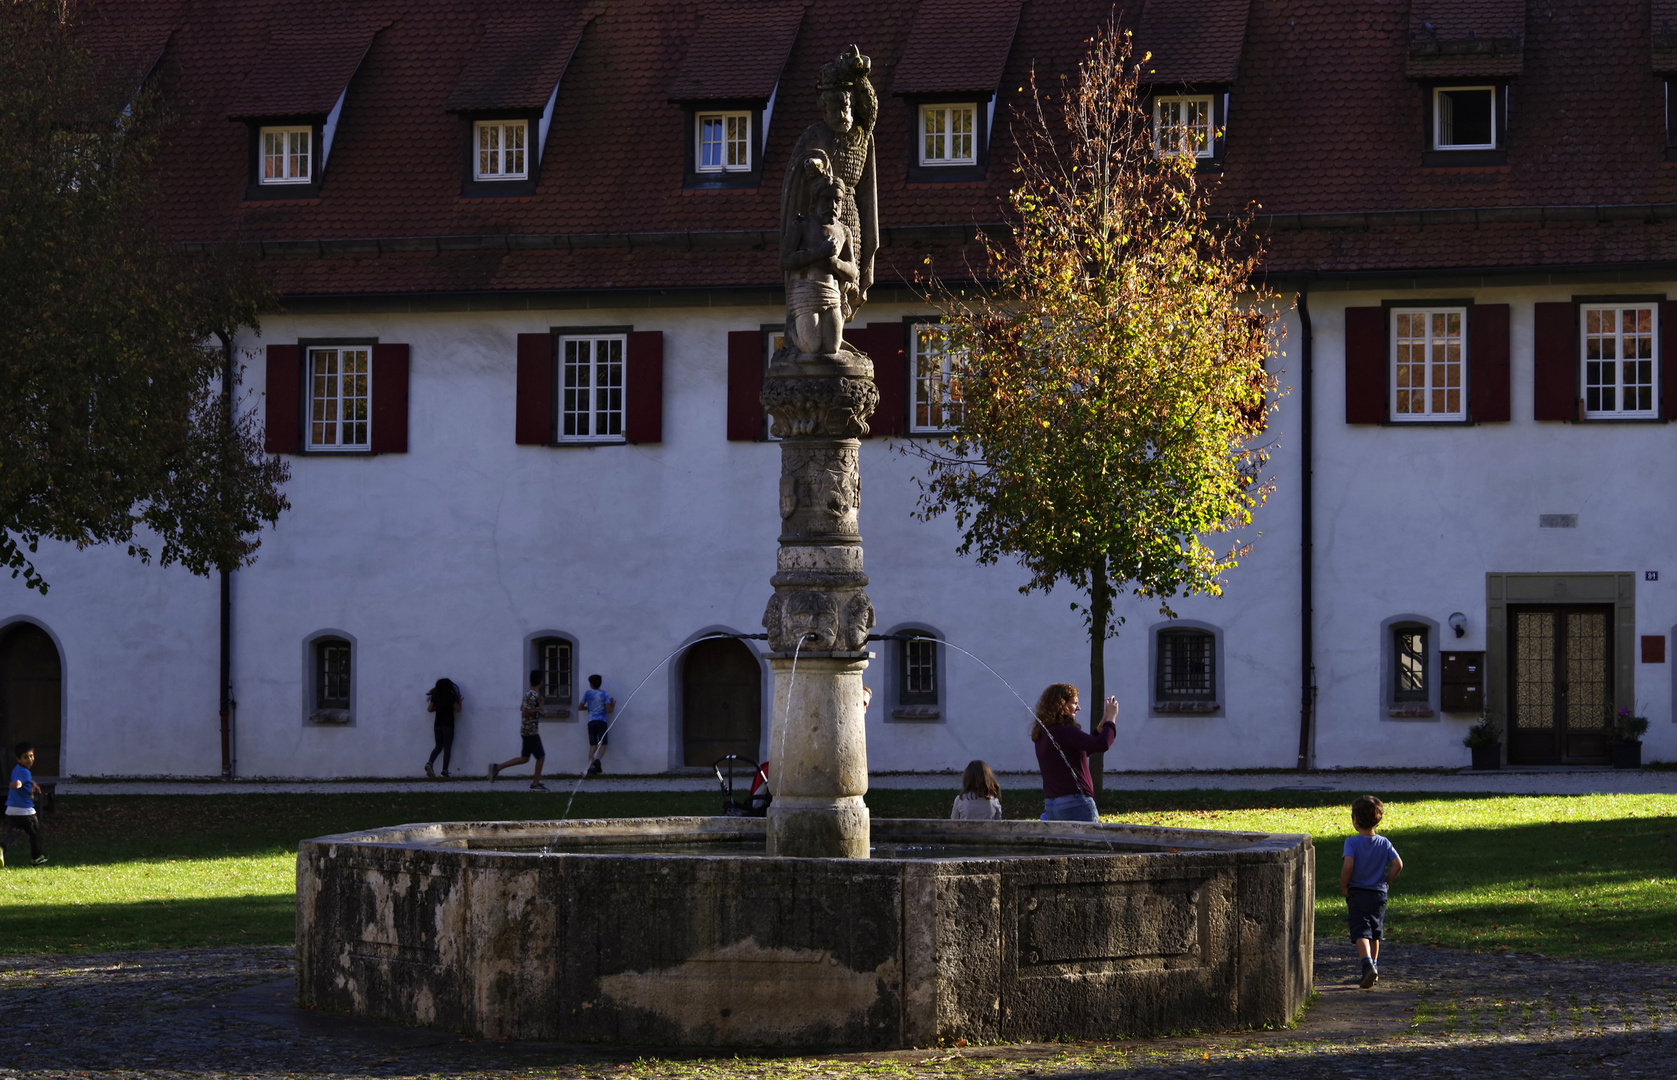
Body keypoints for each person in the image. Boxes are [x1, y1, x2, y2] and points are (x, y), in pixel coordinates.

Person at [1341, 794, 1403, 989]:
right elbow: (1398, 864)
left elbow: (1349, 864)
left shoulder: (1352, 843)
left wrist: (1344, 885)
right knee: (1376, 932)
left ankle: (1366, 964)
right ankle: (1374, 968)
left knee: (1361, 931)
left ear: (1355, 820)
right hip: (1378, 894)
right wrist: (1386, 881)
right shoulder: (1384, 843)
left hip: (1358, 892)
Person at [1031, 683, 1117, 822]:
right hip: (1075, 803)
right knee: (1088, 843)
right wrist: (1111, 719)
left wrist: (1103, 723)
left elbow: (1086, 748)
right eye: (1075, 703)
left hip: (1053, 804)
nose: (1078, 708)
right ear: (1062, 704)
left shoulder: (1045, 732)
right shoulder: (1065, 730)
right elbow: (1102, 744)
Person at [490, 670, 548, 790]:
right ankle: (535, 784)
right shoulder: (531, 695)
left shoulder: (531, 695)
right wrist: (540, 708)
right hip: (530, 731)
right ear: (541, 682)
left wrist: (540, 712)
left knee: (525, 758)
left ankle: (497, 767)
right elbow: (526, 712)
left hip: (527, 730)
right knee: (541, 757)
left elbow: (523, 708)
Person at [2, 741, 46, 866]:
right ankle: (36, 858)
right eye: (25, 757)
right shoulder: (24, 772)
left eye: (31, 756)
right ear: (18, 759)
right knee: (36, 833)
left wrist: (32, 782)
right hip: (24, 810)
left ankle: (1, 847)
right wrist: (17, 784)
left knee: (14, 833)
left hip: (11, 810)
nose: (30, 759)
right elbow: (19, 781)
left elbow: (23, 778)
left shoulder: (18, 769)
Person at [423, 678, 462, 778]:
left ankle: (430, 763)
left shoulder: (435, 696)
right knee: (447, 748)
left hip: (437, 725)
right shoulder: (451, 696)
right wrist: (459, 702)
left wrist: (439, 708)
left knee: (438, 747)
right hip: (448, 725)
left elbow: (429, 709)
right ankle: (444, 772)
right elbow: (458, 709)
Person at [579, 674, 614, 775]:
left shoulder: (587, 694)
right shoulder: (604, 694)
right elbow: (609, 710)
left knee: (593, 745)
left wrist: (589, 709)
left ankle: (590, 767)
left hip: (591, 722)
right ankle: (598, 760)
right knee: (603, 744)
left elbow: (580, 707)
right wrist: (613, 705)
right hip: (602, 721)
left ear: (590, 684)